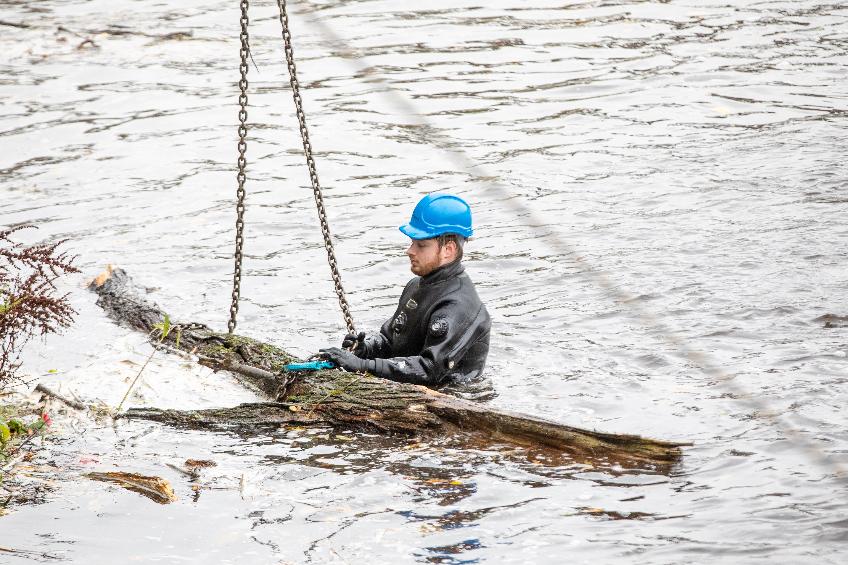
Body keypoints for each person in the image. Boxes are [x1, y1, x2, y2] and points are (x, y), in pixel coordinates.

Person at [319, 193, 491, 388]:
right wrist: (365, 349)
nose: (410, 251)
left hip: (454, 399)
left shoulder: (460, 305)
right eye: (412, 243)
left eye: (421, 245)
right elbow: (390, 339)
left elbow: (429, 369)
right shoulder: (415, 286)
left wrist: (363, 365)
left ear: (448, 250)